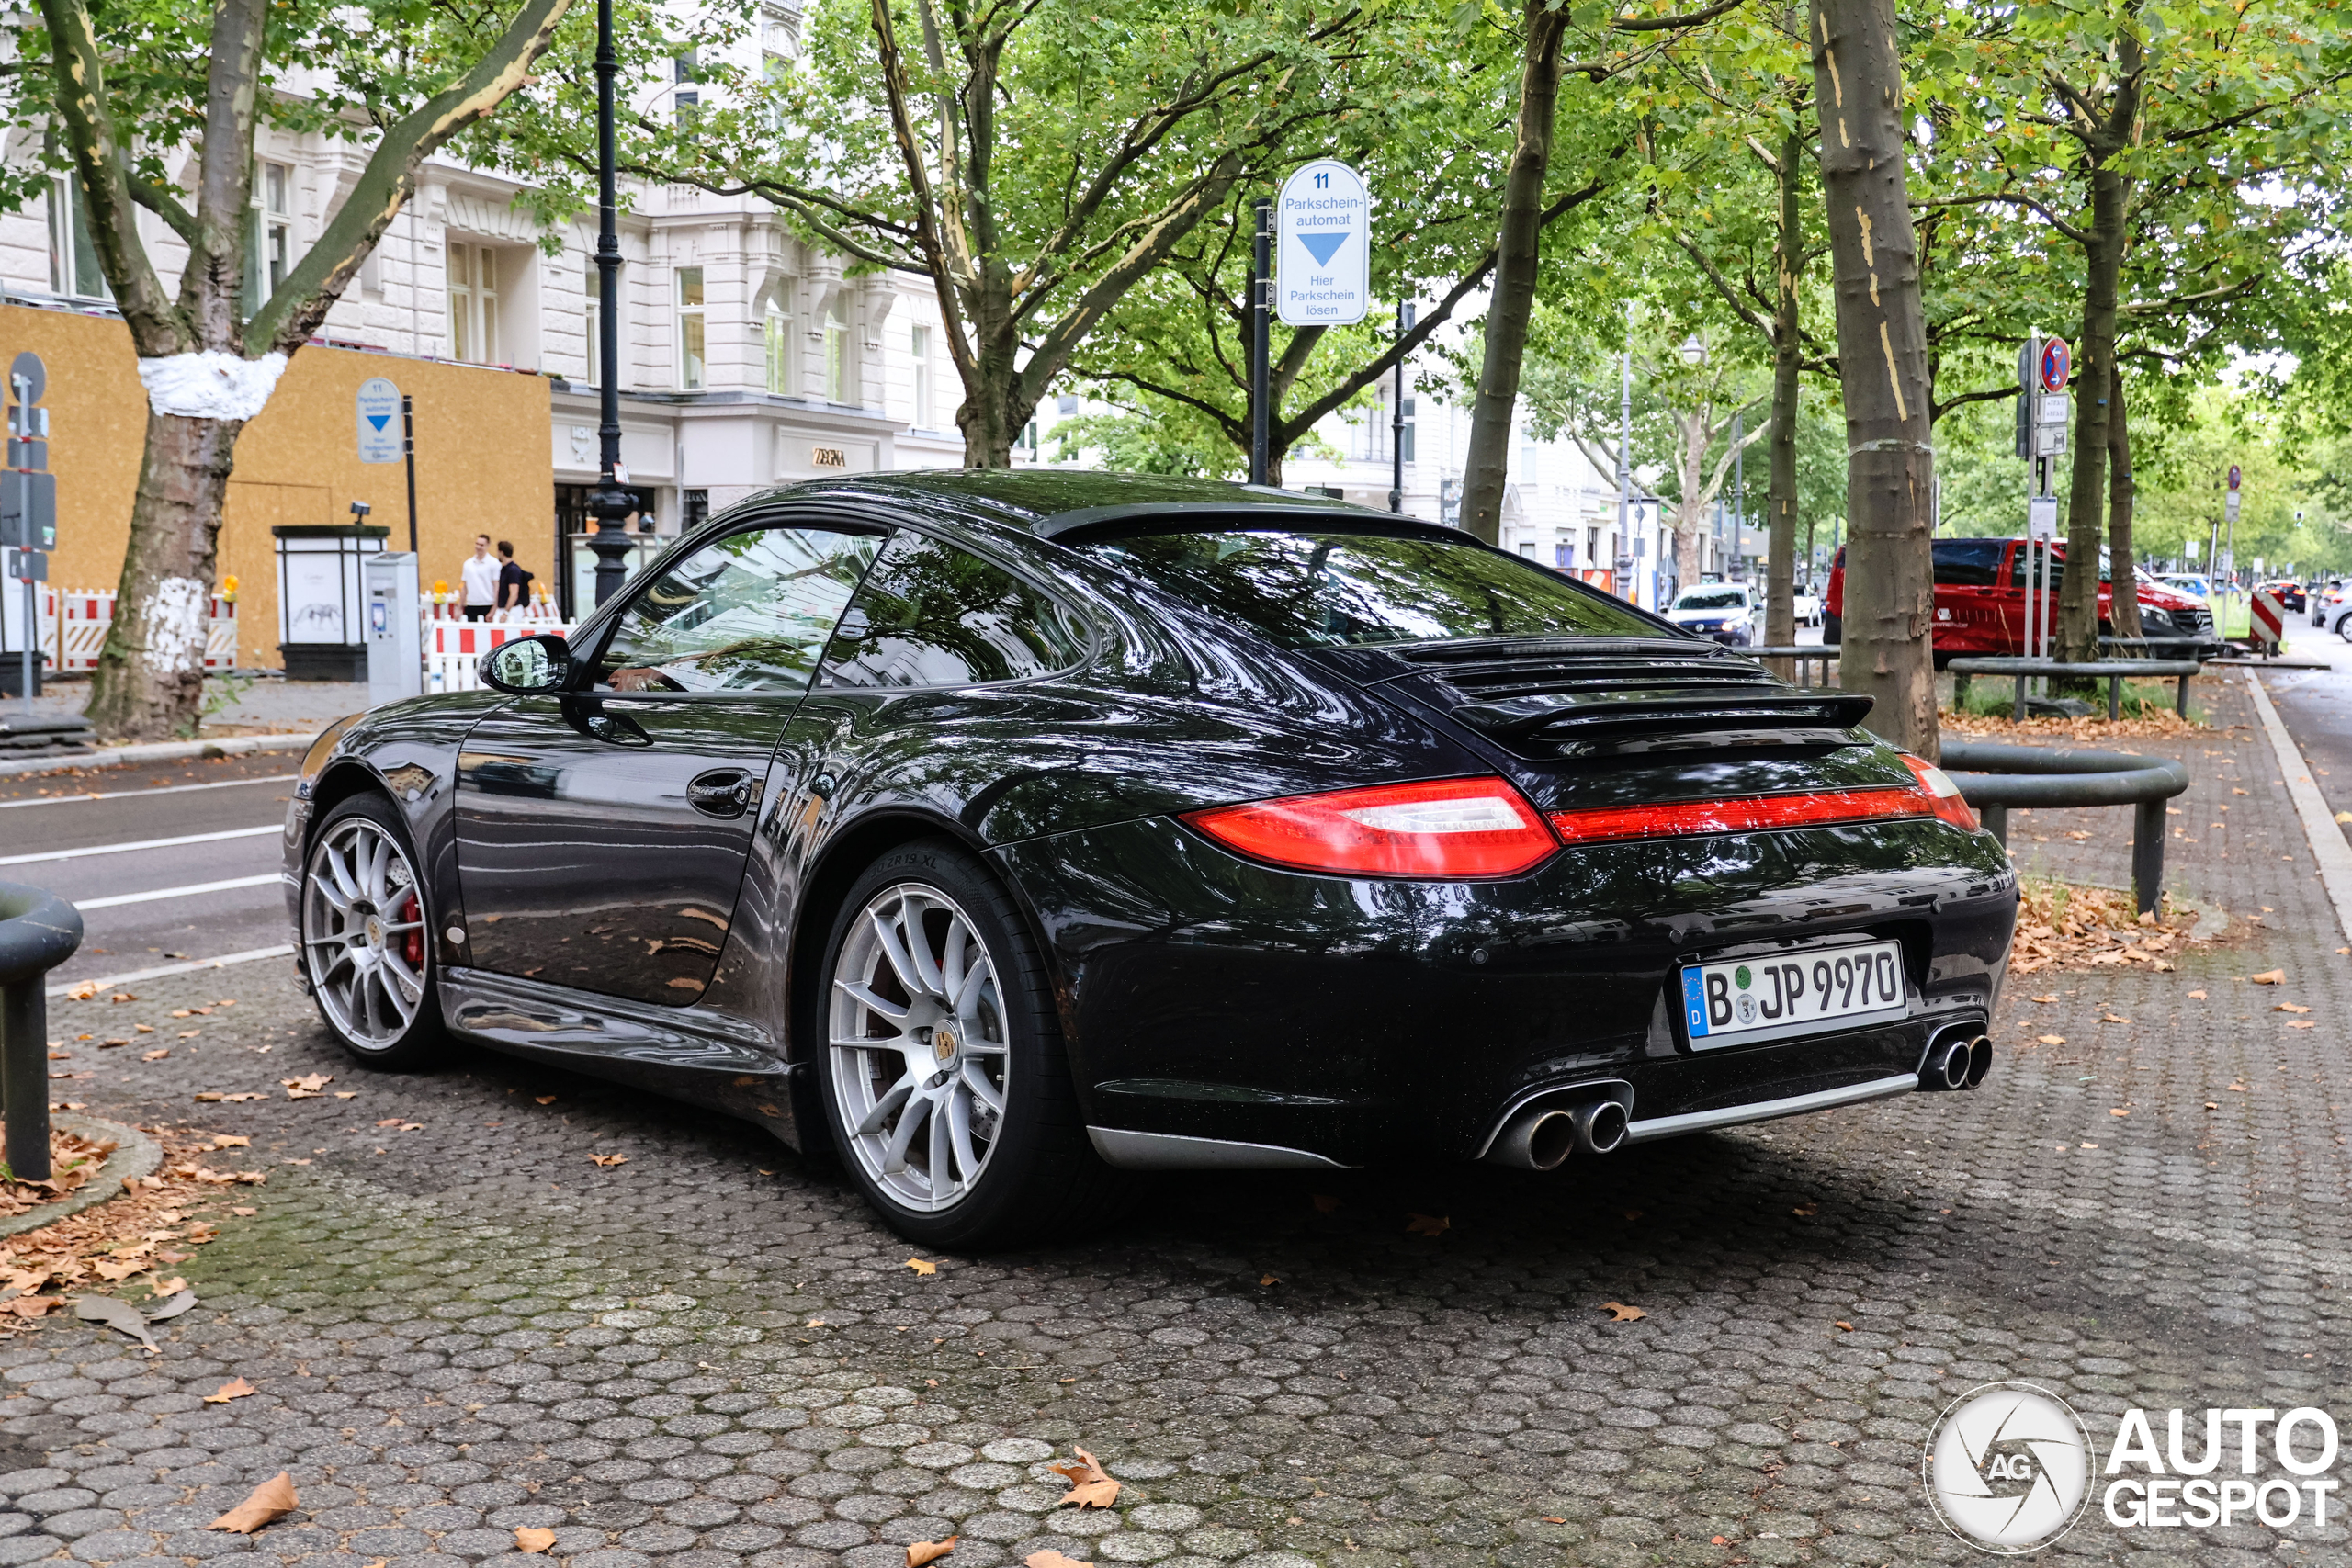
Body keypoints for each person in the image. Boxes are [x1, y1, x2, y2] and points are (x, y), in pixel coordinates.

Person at [460, 535, 500, 622]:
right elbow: (465, 587)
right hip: (471, 605)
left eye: (481, 545)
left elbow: (497, 587)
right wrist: (460, 607)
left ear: (488, 545)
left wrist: (493, 609)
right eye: (477, 544)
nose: (478, 547)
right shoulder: (468, 564)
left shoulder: (494, 563)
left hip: (487, 604)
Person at [495, 541, 534, 620]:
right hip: (505, 608)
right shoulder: (504, 569)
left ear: (502, 553)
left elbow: (514, 594)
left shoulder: (513, 570)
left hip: (513, 610)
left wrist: (506, 613)